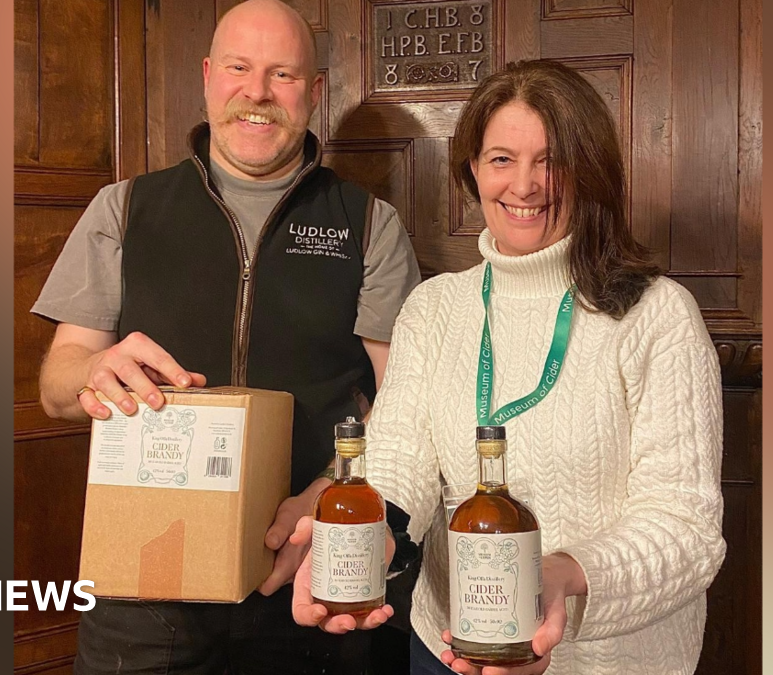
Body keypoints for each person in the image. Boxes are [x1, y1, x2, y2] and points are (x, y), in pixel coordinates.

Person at [290, 59, 726, 674]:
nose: (525, 185)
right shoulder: (436, 308)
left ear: (592, 172)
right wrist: (363, 539)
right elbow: (395, 461)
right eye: (501, 159)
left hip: (607, 661)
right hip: (450, 648)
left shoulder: (656, 315)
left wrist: (557, 576)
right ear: (472, 169)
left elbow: (686, 529)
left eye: (552, 161)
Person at [30, 0, 420, 672]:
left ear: (315, 92)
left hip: (312, 577)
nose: (257, 93)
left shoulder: (368, 225)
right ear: (209, 76)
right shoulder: (123, 209)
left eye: (283, 75)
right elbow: (57, 384)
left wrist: (331, 499)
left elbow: (406, 407)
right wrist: (93, 372)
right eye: (239, 68)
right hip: (143, 596)